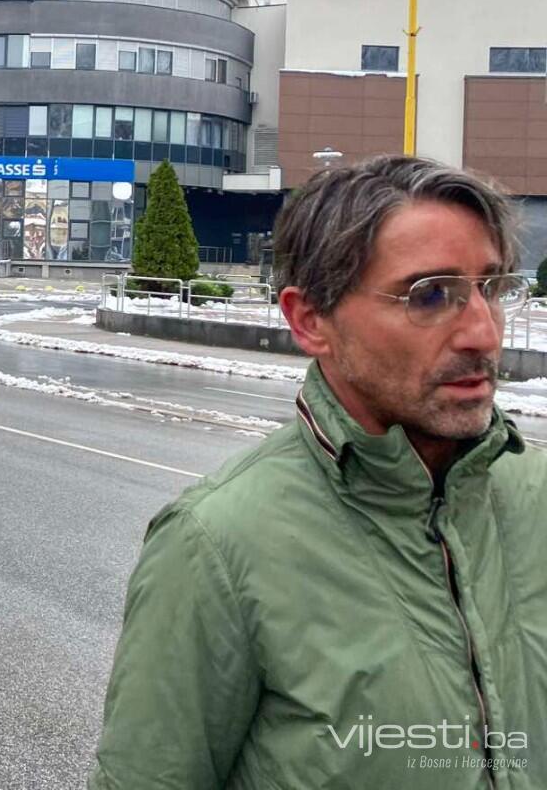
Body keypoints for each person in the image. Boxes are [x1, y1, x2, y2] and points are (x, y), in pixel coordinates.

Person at [89, 155, 546, 787]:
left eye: (491, 287)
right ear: (310, 320)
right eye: (432, 294)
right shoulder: (216, 545)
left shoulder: (537, 498)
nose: (483, 333)